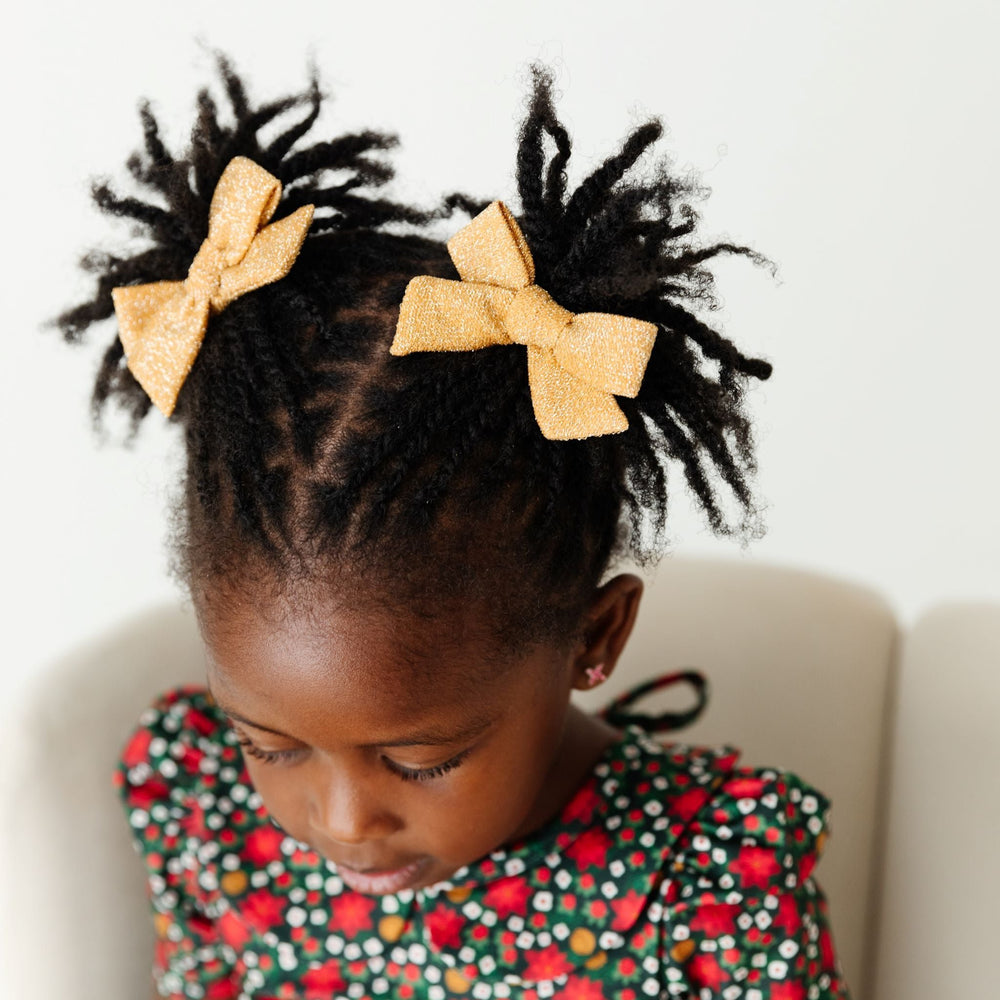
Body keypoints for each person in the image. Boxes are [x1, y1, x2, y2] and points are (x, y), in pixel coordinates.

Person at [57, 50, 851, 1000]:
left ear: (593, 637)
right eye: (269, 746)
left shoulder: (710, 884)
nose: (344, 821)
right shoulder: (202, 806)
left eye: (420, 760)